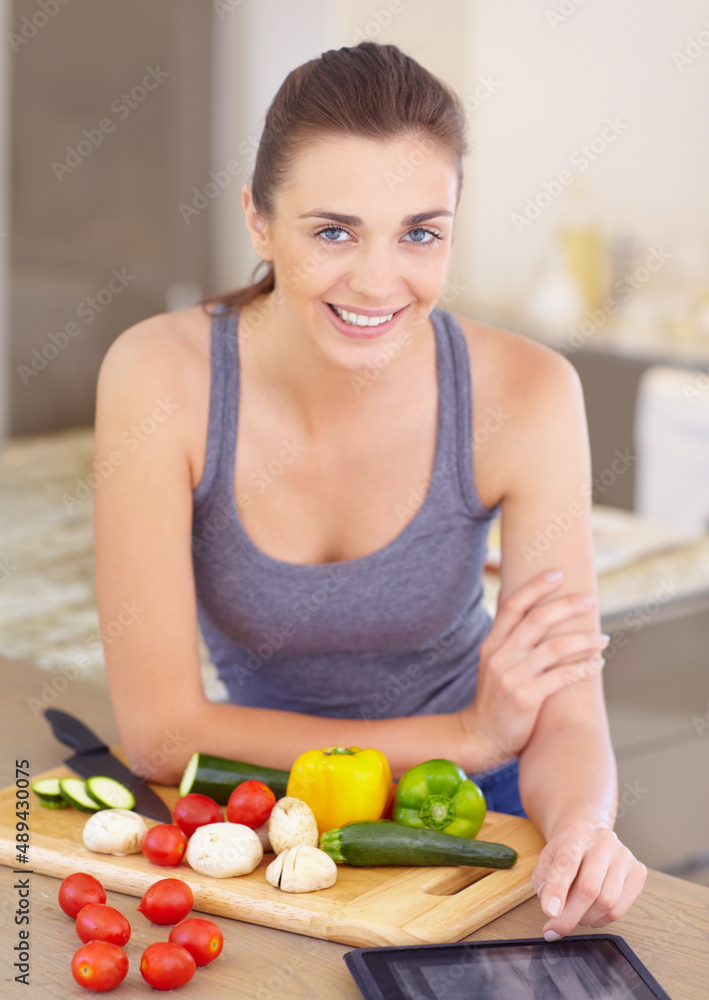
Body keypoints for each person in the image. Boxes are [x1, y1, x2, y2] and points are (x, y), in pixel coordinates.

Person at [93, 41, 646, 940]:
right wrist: (468, 732)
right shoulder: (163, 378)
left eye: (420, 232)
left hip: (469, 818)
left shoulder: (528, 394)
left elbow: (563, 712)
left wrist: (582, 825)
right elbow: (161, 734)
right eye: (333, 231)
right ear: (258, 222)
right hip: (259, 824)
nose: (379, 281)